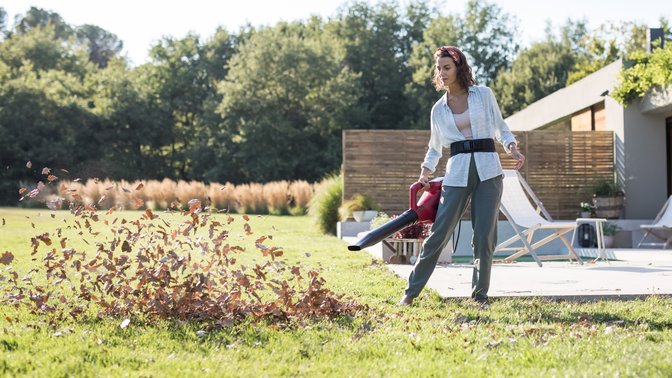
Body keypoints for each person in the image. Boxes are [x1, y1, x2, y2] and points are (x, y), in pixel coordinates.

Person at [398, 46, 525, 306]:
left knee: (484, 235)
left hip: (489, 171)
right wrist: (425, 173)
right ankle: (411, 293)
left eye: (447, 68)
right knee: (439, 233)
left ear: (459, 68)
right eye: (439, 69)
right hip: (456, 173)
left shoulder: (483, 95)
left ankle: (480, 296)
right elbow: (435, 148)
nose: (442, 73)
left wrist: (511, 146)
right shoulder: (438, 109)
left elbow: (500, 127)